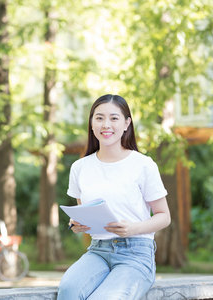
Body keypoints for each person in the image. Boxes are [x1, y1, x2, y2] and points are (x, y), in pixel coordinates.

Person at [57, 94, 171, 300]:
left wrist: (132, 229)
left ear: (127, 123)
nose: (106, 124)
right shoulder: (80, 167)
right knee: (68, 291)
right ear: (91, 124)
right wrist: (76, 224)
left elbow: (164, 216)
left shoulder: (143, 165)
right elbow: (84, 215)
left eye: (114, 118)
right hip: (97, 251)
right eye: (99, 118)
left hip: (136, 254)